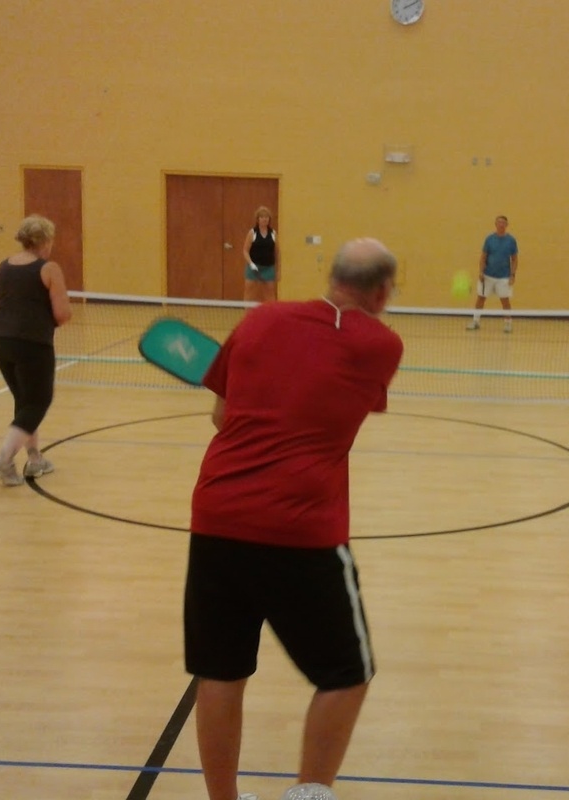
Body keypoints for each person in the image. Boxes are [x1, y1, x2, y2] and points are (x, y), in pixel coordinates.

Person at [184, 238, 404, 800]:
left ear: (331, 275)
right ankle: (310, 792)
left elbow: (222, 414)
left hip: (217, 515)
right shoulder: (380, 345)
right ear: (382, 292)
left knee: (220, 671)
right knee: (347, 675)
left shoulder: (259, 321)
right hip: (300, 530)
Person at [0, 215, 72, 486]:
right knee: (37, 402)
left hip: (2, 340)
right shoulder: (49, 269)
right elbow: (62, 313)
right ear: (45, 241)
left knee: (24, 402)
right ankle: (3, 460)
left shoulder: (4, 267)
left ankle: (35, 460)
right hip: (33, 344)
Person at [466, 214, 518, 333]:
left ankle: (508, 323)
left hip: (504, 277)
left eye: (503, 222)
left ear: (506, 225)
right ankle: (476, 321)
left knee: (505, 300)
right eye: (498, 222)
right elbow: (483, 257)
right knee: (480, 298)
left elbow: (514, 259)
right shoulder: (489, 239)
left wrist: (512, 275)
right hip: (487, 275)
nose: (501, 224)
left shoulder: (511, 240)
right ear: (495, 224)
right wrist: (481, 272)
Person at [242, 206, 280, 303]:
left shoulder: (273, 234)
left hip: (268, 268)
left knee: (269, 294)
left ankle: (271, 315)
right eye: (262, 217)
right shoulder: (252, 233)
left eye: (266, 217)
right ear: (257, 219)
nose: (264, 219)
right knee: (249, 293)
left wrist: (278, 271)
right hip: (253, 268)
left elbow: (277, 253)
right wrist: (251, 264)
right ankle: (248, 315)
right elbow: (245, 251)